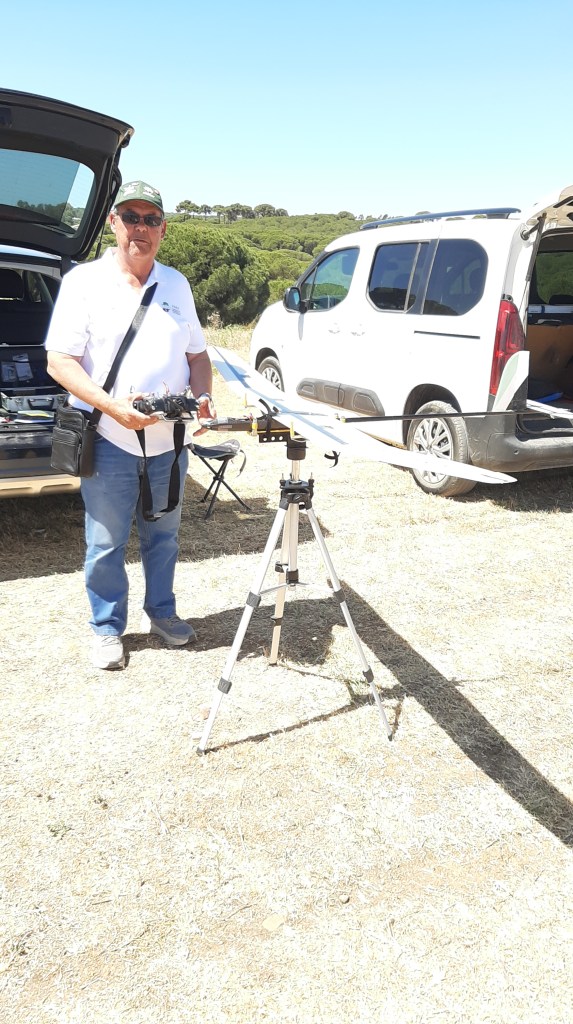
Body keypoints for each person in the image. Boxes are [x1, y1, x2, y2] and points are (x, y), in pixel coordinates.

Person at [46, 180, 214, 670]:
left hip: (168, 444)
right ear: (114, 222)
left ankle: (162, 613)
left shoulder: (177, 284)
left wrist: (203, 397)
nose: (141, 228)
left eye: (151, 219)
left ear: (164, 228)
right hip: (109, 438)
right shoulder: (84, 282)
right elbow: (60, 361)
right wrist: (114, 408)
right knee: (106, 544)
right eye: (132, 217)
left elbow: (198, 356)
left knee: (164, 538)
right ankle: (106, 628)